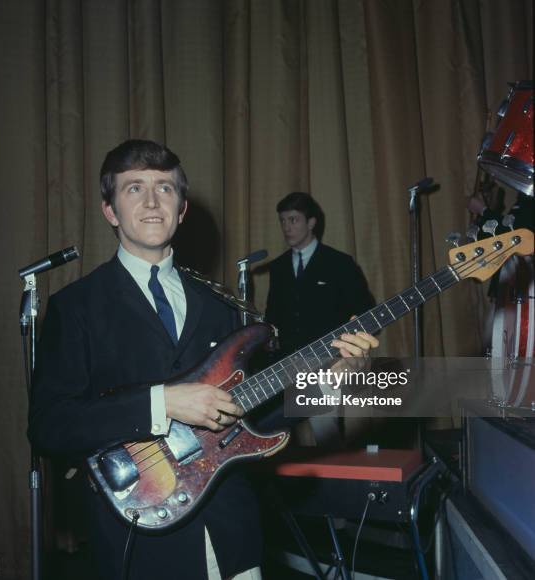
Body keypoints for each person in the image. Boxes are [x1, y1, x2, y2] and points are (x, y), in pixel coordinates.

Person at [28, 140, 378, 580]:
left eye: (165, 189)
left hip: (232, 536)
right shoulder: (75, 306)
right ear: (110, 211)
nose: (153, 201)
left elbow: (257, 417)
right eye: (134, 189)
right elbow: (49, 426)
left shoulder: (220, 305)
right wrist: (163, 403)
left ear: (183, 208)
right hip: (137, 545)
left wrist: (328, 386)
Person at [266, 192, 375, 357]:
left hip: (332, 361)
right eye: (283, 220)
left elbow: (364, 311)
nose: (286, 227)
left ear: (311, 223)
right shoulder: (277, 267)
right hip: (287, 366)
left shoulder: (340, 263)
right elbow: (272, 318)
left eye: (293, 220)